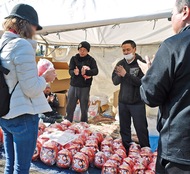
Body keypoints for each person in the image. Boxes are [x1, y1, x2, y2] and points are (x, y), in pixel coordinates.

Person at [0, 4, 56, 174]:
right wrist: (45, 79)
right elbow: (31, 89)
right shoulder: (22, 45)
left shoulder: (3, 44)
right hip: (23, 114)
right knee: (22, 168)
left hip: (6, 112)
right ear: (24, 24)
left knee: (10, 164)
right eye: (34, 26)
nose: (35, 30)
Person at [139, 0, 190, 173]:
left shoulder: (174, 45)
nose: (171, 20)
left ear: (185, 11)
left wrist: (148, 73)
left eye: (171, 15)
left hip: (180, 149)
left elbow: (151, 95)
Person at [112, 40, 150, 153]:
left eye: (128, 49)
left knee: (141, 128)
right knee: (124, 127)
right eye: (124, 50)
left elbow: (142, 82)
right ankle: (127, 149)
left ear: (134, 49)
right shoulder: (120, 63)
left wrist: (125, 75)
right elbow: (114, 81)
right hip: (123, 101)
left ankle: (145, 149)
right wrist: (119, 76)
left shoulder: (141, 63)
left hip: (137, 102)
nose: (126, 52)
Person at [66, 41, 98, 123]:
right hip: (74, 85)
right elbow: (70, 70)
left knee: (84, 107)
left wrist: (87, 72)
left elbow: (96, 71)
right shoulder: (74, 59)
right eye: (80, 49)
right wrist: (74, 72)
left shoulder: (91, 60)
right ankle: (68, 122)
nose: (82, 52)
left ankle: (84, 123)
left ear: (88, 51)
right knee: (70, 105)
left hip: (85, 86)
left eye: (84, 50)